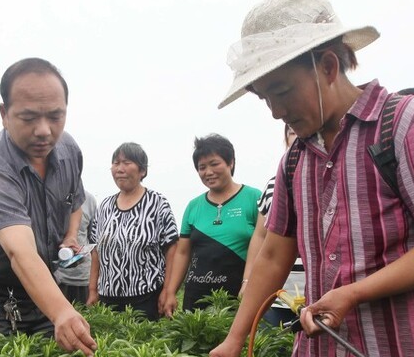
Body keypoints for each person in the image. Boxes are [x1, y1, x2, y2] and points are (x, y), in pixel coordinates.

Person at [207, 0, 414, 357]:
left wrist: (353, 294)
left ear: (329, 66)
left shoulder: (409, 123)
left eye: (282, 91)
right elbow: (273, 254)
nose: (275, 111)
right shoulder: (295, 159)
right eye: (265, 98)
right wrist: (235, 337)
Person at [0, 57, 96, 357]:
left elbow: (75, 199)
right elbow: (19, 252)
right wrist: (61, 312)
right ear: (4, 114)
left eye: (55, 116)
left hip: (42, 275)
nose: (44, 130)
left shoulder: (69, 151)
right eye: (29, 118)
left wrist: (72, 233)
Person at [161, 134, 260, 315]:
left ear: (230, 162)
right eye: (202, 167)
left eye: (214, 164)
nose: (208, 172)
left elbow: (263, 246)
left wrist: (248, 283)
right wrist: (171, 292)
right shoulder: (193, 206)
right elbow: (183, 252)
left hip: (238, 296)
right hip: (196, 298)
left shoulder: (254, 198)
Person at [86, 143, 179, 320]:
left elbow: (172, 250)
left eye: (126, 162)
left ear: (142, 170)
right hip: (108, 299)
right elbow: (95, 251)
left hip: (146, 297)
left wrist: (168, 291)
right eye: (115, 163)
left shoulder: (157, 203)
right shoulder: (104, 206)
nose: (119, 169)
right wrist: (92, 290)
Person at [244, 123, 303, 327]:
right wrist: (248, 280)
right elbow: (260, 236)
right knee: (271, 353)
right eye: (291, 132)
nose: (297, 137)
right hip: (277, 294)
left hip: (321, 297)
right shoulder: (273, 184)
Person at [55, 190, 97, 305]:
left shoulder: (89, 199)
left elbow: (93, 241)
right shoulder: (46, 195)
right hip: (53, 278)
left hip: (82, 279)